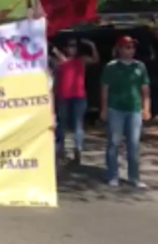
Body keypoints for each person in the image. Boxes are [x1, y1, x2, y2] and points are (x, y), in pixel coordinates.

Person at [101, 36, 151, 189]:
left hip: (134, 110)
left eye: (132, 47)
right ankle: (113, 175)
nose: (130, 50)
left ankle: (134, 178)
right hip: (115, 109)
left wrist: (146, 108)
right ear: (119, 49)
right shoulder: (111, 66)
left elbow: (145, 89)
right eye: (126, 47)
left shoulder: (140, 66)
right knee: (114, 143)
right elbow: (105, 89)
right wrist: (103, 108)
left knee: (134, 144)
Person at [51, 38, 99, 164]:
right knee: (62, 122)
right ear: (65, 48)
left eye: (74, 46)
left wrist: (92, 45)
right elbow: (55, 78)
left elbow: (95, 59)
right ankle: (60, 148)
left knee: (78, 124)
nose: (72, 48)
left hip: (79, 96)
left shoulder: (81, 60)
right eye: (70, 46)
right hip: (63, 96)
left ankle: (77, 150)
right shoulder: (59, 61)